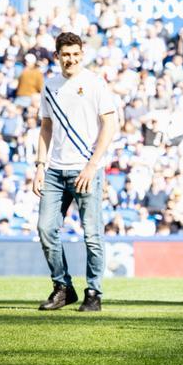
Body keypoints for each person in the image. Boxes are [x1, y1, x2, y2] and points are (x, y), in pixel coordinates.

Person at [34, 32, 117, 312]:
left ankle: (93, 292)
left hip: (86, 169)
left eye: (75, 54)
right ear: (57, 56)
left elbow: (109, 125)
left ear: (82, 54)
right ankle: (63, 287)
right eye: (65, 55)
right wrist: (40, 166)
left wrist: (92, 166)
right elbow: (46, 127)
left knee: (92, 234)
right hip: (56, 170)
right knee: (45, 228)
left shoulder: (94, 83)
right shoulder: (50, 85)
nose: (70, 59)